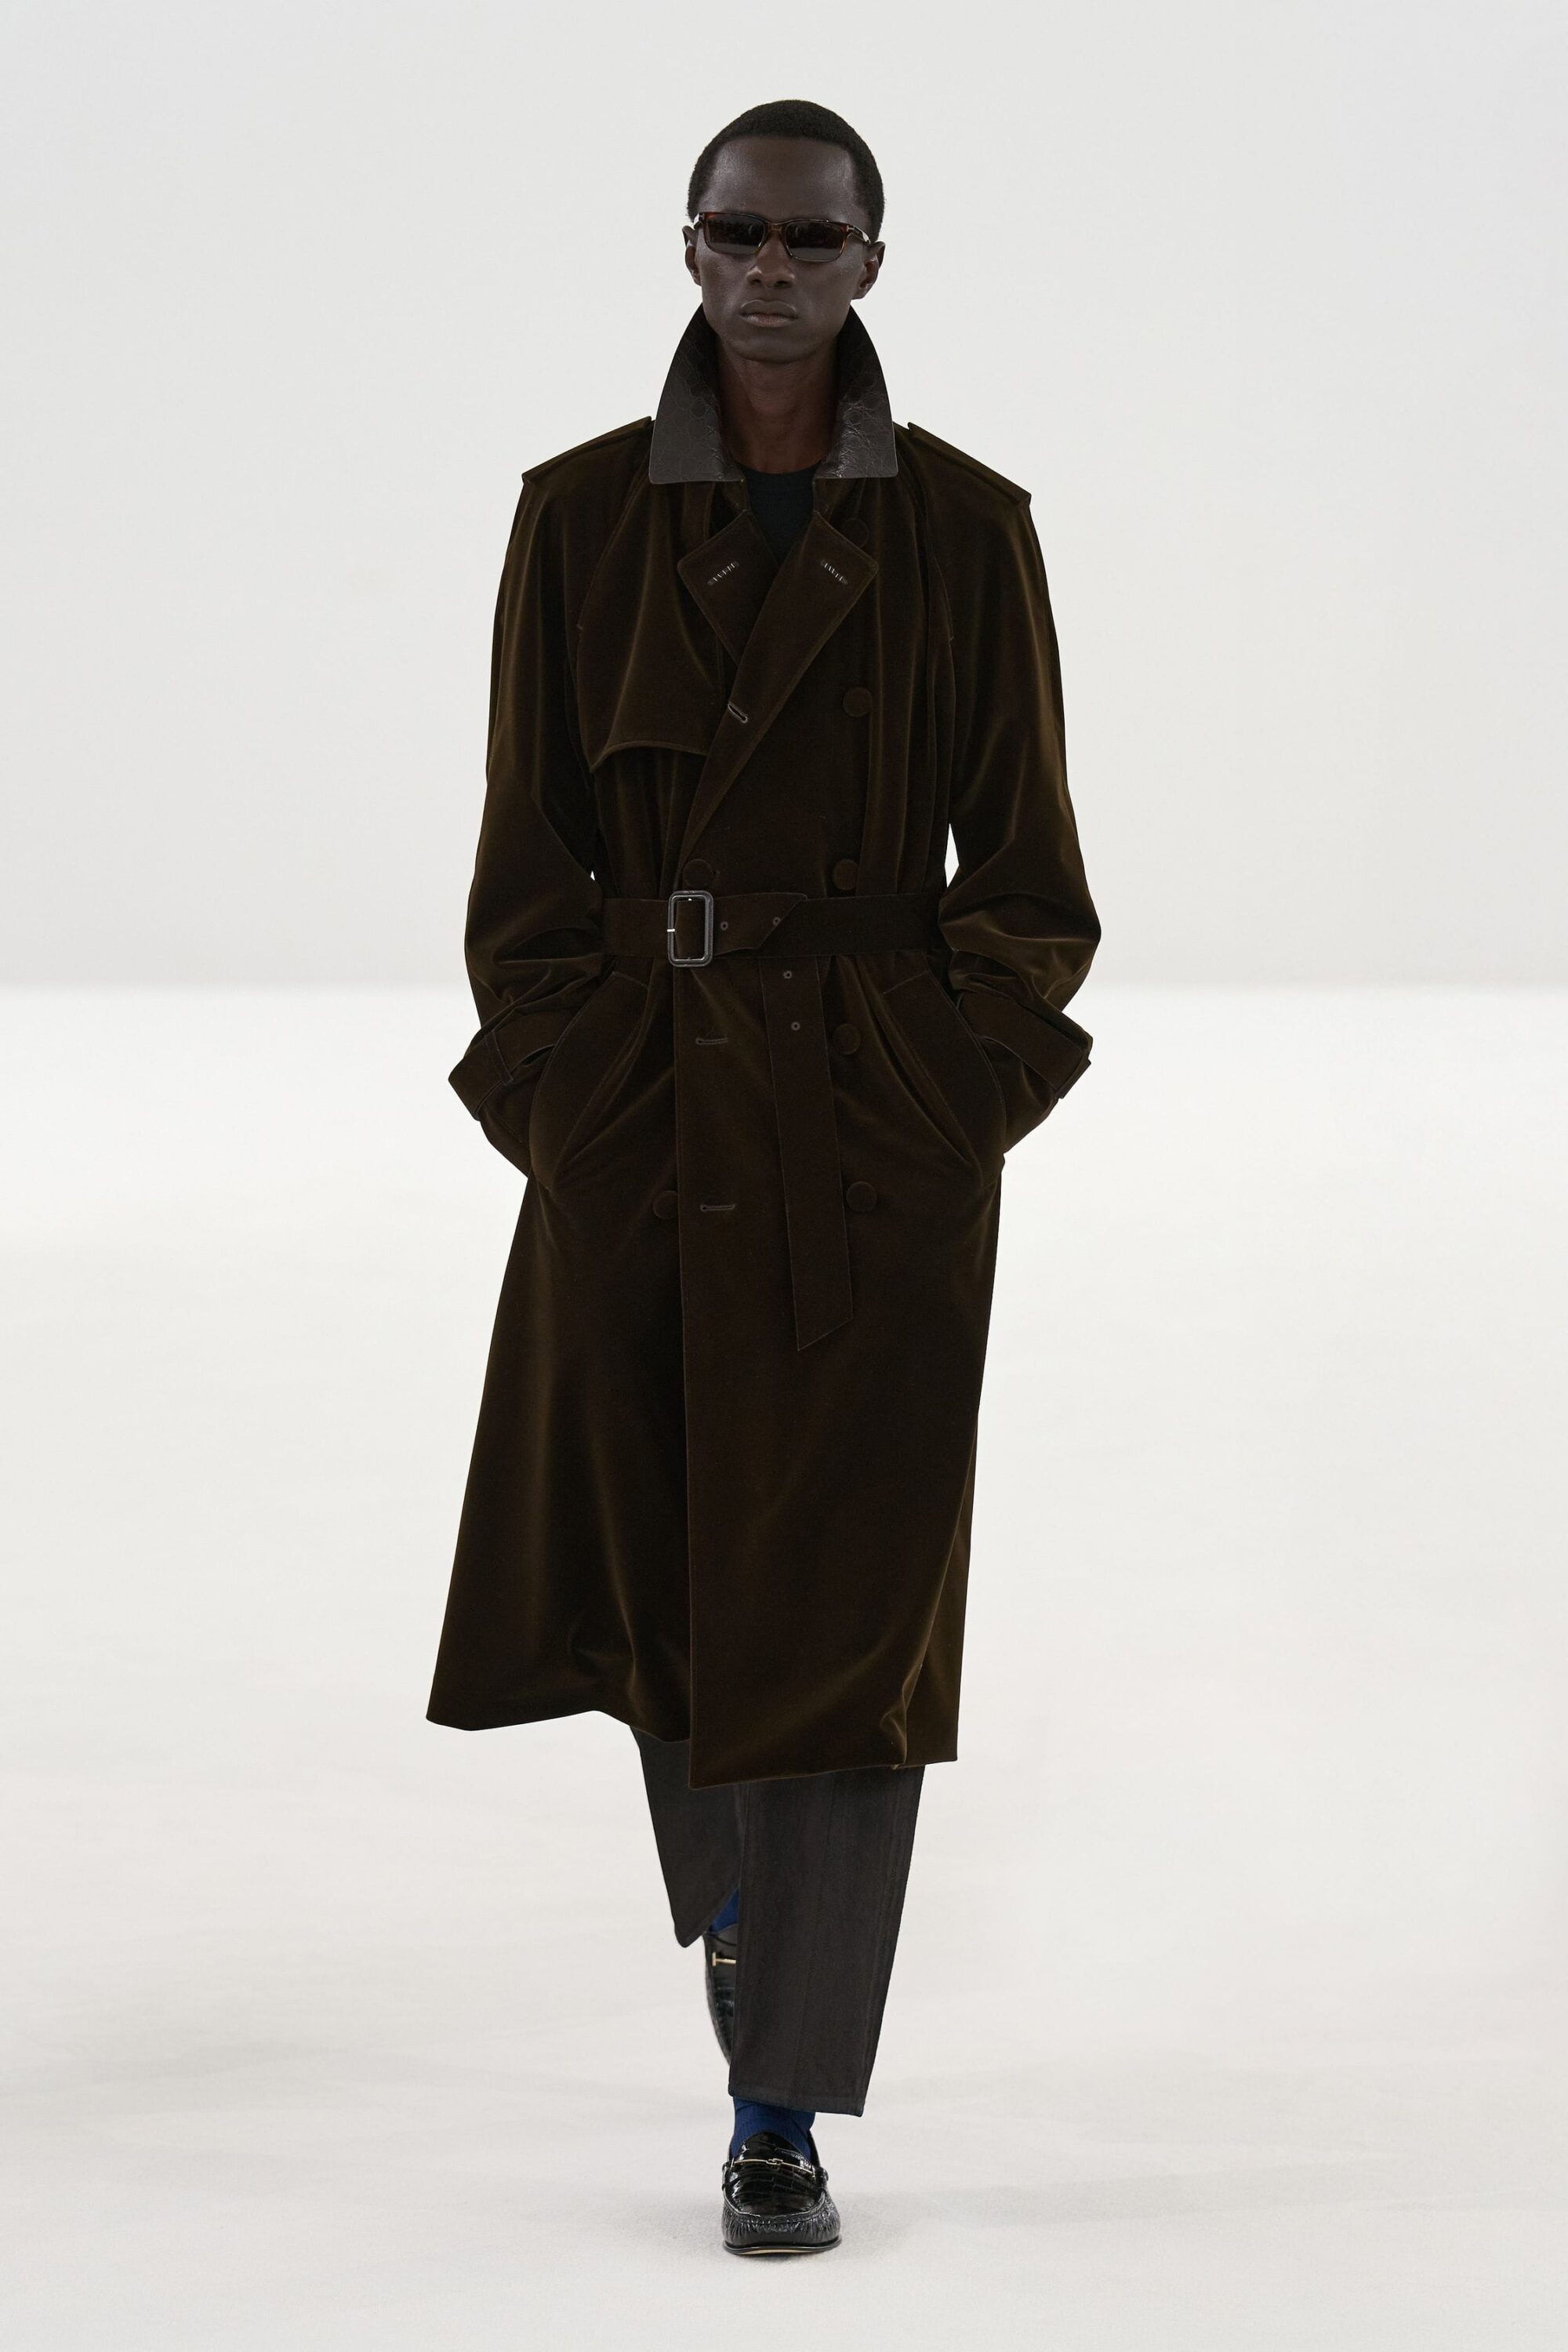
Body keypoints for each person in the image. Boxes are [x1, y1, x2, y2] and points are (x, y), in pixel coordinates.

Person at [427, 97, 1100, 2256]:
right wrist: (566, 1095)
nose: (775, 269)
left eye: (815, 237)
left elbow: (1033, 885)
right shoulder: (577, 519)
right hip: (642, 1124)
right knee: (661, 1585)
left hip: (869, 1152)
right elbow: (525, 860)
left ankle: (778, 2099)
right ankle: (743, 1946)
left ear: (873, 261)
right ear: (691, 248)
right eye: (740, 232)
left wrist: (948, 1102)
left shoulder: (968, 531)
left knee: (849, 1624)